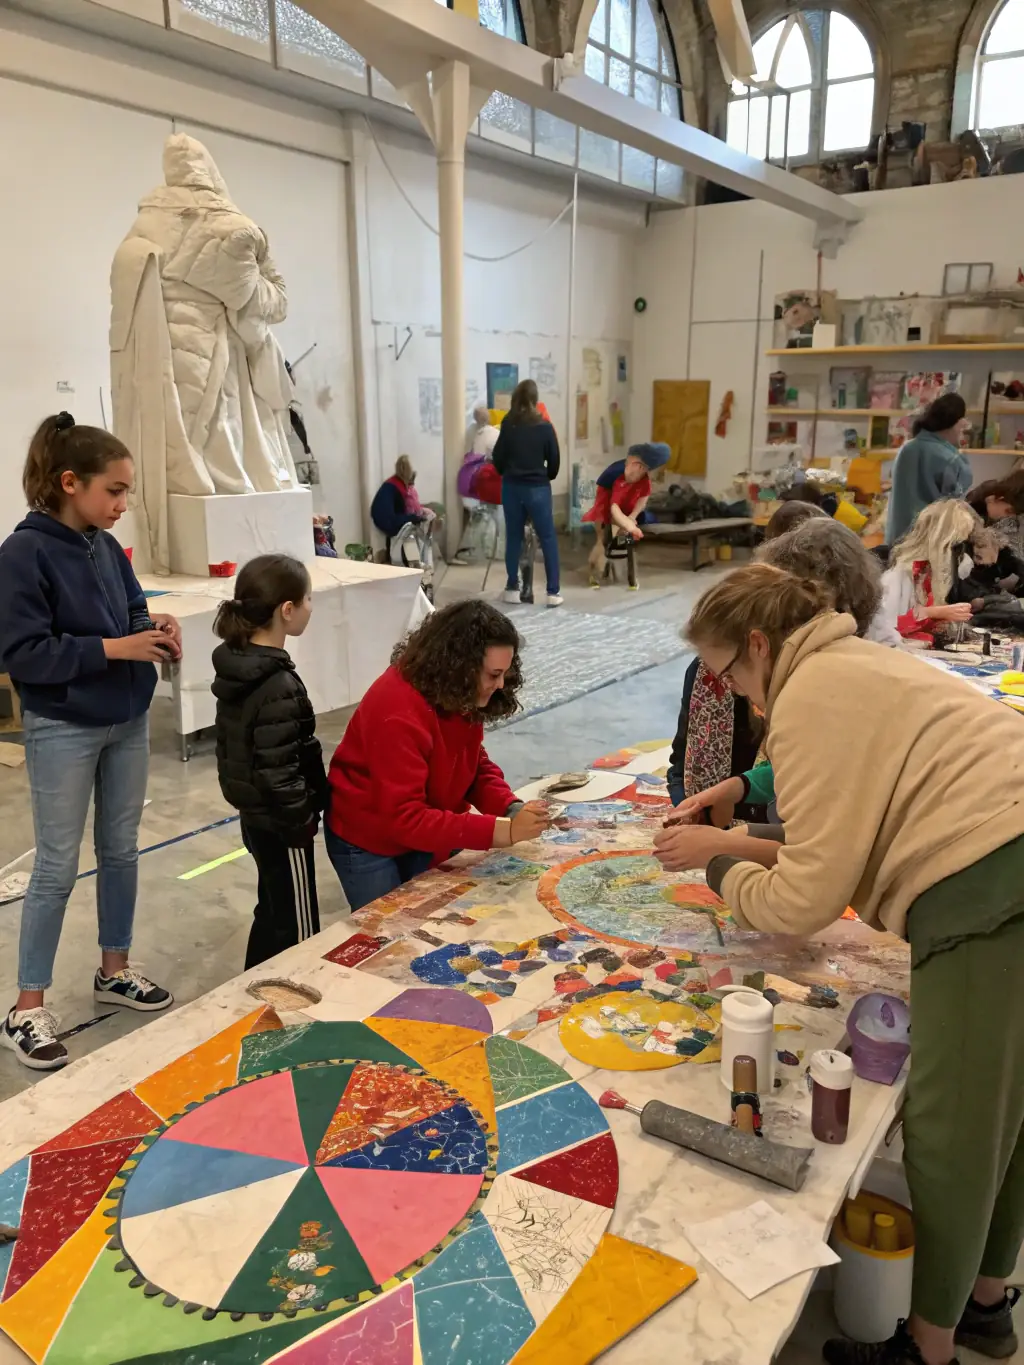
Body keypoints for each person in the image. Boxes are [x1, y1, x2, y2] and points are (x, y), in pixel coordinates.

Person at [653, 562, 1024, 1365]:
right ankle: (986, 1306)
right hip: (1008, 852)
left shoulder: (807, 694)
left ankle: (929, 1350)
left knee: (952, 1125)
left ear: (759, 642)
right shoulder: (854, 659)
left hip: (990, 879)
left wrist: (715, 869)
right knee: (1007, 1107)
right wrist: (727, 837)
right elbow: (837, 838)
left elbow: (801, 900)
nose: (744, 699)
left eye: (731, 674)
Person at [0, 413, 181, 1071]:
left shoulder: (105, 546)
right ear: (69, 482)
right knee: (55, 865)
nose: (123, 504)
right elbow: (23, 653)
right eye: (115, 491)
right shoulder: (23, 554)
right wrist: (115, 647)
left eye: (128, 491)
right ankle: (25, 1007)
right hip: (63, 727)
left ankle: (114, 968)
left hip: (125, 718)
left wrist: (152, 626)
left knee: (121, 848)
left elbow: (131, 611)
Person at [325, 601, 549, 911]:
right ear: (460, 666)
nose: (500, 685)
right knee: (388, 935)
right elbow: (405, 818)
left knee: (434, 917)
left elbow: (471, 763)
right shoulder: (397, 709)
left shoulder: (456, 692)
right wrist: (502, 831)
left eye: (505, 674)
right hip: (369, 839)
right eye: (493, 674)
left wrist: (509, 807)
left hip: (426, 822)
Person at [669, 517, 886, 830]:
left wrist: (726, 848)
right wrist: (723, 797)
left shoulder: (828, 686)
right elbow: (798, 767)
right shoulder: (722, 667)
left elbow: (826, 845)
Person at [212, 554, 326, 970]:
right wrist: (302, 821)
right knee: (299, 923)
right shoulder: (275, 682)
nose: (312, 606)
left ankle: (252, 987)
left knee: (273, 908)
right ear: (288, 610)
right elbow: (279, 767)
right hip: (283, 825)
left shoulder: (241, 664)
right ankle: (300, 996)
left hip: (257, 817)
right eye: (309, 598)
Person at [492, 380, 562, 607]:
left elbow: (498, 457)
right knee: (548, 538)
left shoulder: (508, 424)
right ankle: (552, 593)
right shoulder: (544, 426)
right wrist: (545, 476)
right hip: (538, 488)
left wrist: (508, 473)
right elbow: (554, 462)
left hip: (511, 487)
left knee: (513, 537)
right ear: (535, 400)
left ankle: (512, 588)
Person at [878, 499, 982, 644]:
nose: (960, 555)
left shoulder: (928, 574)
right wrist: (933, 612)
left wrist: (942, 619)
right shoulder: (901, 575)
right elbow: (882, 631)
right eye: (956, 546)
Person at [886, 393, 971, 544]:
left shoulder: (907, 448)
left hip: (897, 540)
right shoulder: (950, 458)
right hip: (930, 544)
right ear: (956, 422)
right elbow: (955, 509)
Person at [582, 442, 670, 588]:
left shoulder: (643, 479)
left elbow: (642, 499)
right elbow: (612, 507)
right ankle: (594, 573)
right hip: (606, 503)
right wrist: (624, 523)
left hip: (623, 504)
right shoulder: (619, 475)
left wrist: (632, 517)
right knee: (602, 540)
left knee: (618, 537)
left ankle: (607, 569)